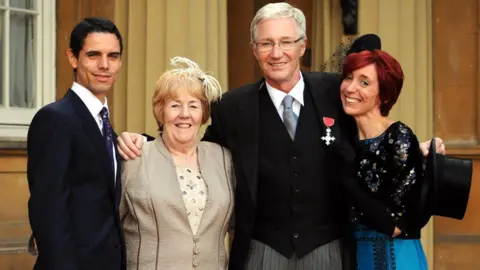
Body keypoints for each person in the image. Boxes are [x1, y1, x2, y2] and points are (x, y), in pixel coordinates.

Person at [116, 3, 446, 270]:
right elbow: (195, 148)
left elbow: (372, 130)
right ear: (254, 49)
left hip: (328, 250)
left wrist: (415, 151)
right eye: (267, 43)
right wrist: (145, 141)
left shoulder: (335, 91)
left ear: (302, 46)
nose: (277, 53)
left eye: (286, 42)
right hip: (262, 251)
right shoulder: (233, 106)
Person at [27, 18, 125, 270]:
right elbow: (49, 216)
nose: (104, 65)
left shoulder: (105, 127)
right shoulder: (55, 119)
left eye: (113, 56)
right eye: (93, 55)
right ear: (73, 58)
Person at [120, 57, 235, 269]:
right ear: (160, 111)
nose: (184, 115)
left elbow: (239, 226)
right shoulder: (134, 157)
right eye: (175, 105)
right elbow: (107, 226)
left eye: (193, 105)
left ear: (203, 114)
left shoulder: (223, 159)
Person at [338, 48, 428, 269]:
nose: (350, 88)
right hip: (354, 257)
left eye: (364, 82)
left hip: (395, 258)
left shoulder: (399, 139)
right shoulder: (345, 142)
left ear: (385, 94)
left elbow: (395, 225)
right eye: (349, 77)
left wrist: (346, 181)